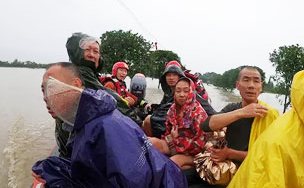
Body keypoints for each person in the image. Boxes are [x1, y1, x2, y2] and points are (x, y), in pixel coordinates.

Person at [33, 62, 188, 188]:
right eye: (43, 91)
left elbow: (132, 181)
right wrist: (54, 167)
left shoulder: (101, 128)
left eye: (51, 88)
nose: (46, 97)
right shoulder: (92, 118)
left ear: (76, 85)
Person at [201, 66, 279, 168]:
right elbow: (206, 125)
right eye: (246, 80)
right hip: (226, 166)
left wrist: (229, 153)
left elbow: (268, 155)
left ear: (261, 86)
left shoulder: (269, 114)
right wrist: (241, 112)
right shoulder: (233, 108)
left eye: (256, 81)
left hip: (252, 171)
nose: (251, 85)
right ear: (237, 85)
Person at [142, 60, 216, 138]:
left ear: (180, 76)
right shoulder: (169, 92)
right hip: (171, 120)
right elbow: (163, 106)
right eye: (168, 75)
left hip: (183, 125)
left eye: (174, 75)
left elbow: (207, 107)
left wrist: (220, 119)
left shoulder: (189, 92)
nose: (171, 78)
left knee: (148, 120)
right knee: (146, 121)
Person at [149, 77, 209, 169]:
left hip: (193, 154)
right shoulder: (173, 109)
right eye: (178, 91)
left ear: (192, 92)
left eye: (186, 91)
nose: (181, 95)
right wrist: (172, 139)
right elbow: (168, 132)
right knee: (149, 143)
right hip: (175, 145)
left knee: (171, 163)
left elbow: (199, 147)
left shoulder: (199, 114)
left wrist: (176, 138)